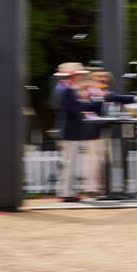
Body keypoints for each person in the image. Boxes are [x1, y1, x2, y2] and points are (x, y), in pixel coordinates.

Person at [51, 63, 101, 201]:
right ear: (72, 75)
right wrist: (83, 111)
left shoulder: (64, 88)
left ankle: (66, 191)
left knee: (68, 162)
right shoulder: (65, 89)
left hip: (68, 129)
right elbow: (70, 109)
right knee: (69, 162)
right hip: (69, 130)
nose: (81, 77)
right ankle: (67, 193)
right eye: (79, 74)